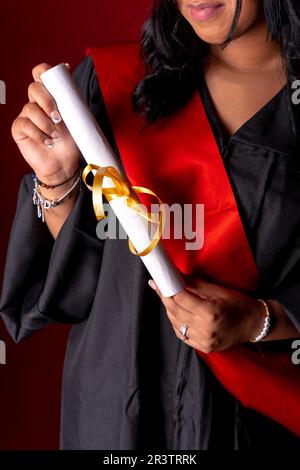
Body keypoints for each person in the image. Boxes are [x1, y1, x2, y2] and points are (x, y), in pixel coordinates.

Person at [1, 0, 300, 449]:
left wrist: (259, 321)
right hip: (115, 410)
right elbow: (86, 283)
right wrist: (57, 181)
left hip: (251, 418)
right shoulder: (114, 82)